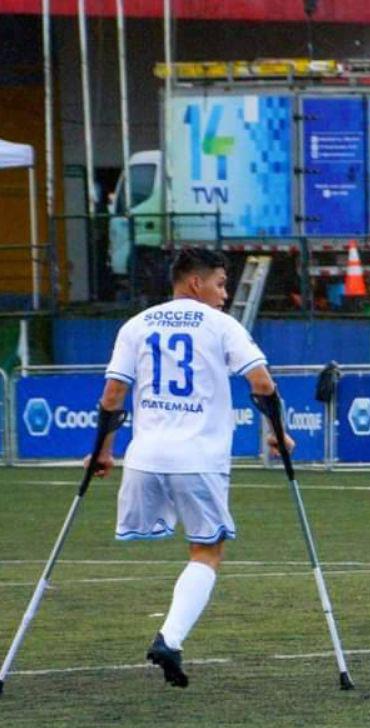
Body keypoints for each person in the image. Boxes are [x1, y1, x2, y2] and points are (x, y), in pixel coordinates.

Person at [92, 248, 291, 689]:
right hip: (198, 459)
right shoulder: (222, 325)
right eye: (220, 285)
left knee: (193, 545)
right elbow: (261, 383)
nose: (224, 296)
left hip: (143, 459)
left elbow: (112, 396)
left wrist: (103, 451)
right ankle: (170, 637)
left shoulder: (136, 325)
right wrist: (278, 432)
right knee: (207, 551)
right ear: (196, 283)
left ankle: (170, 637)